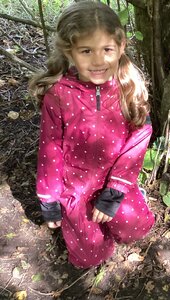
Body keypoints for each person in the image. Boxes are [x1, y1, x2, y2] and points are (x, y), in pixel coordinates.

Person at [29, 1, 155, 268]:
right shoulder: (59, 95)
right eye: (86, 51)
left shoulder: (127, 86)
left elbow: (139, 140)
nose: (98, 60)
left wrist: (115, 191)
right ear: (70, 52)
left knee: (137, 230)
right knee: (89, 258)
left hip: (115, 182)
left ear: (120, 46)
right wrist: (48, 198)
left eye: (107, 49)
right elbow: (49, 149)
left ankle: (127, 201)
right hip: (77, 187)